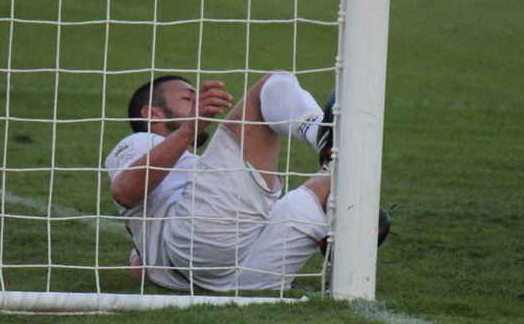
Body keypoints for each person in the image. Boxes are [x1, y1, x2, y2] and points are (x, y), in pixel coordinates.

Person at [104, 72, 388, 292]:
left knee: (343, 176)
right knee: (271, 86)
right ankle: (319, 133)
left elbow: (138, 271)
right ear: (152, 113)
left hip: (243, 274)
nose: (198, 103)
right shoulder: (139, 142)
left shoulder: (190, 167)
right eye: (188, 99)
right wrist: (191, 128)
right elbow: (125, 192)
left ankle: (345, 242)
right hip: (198, 248)